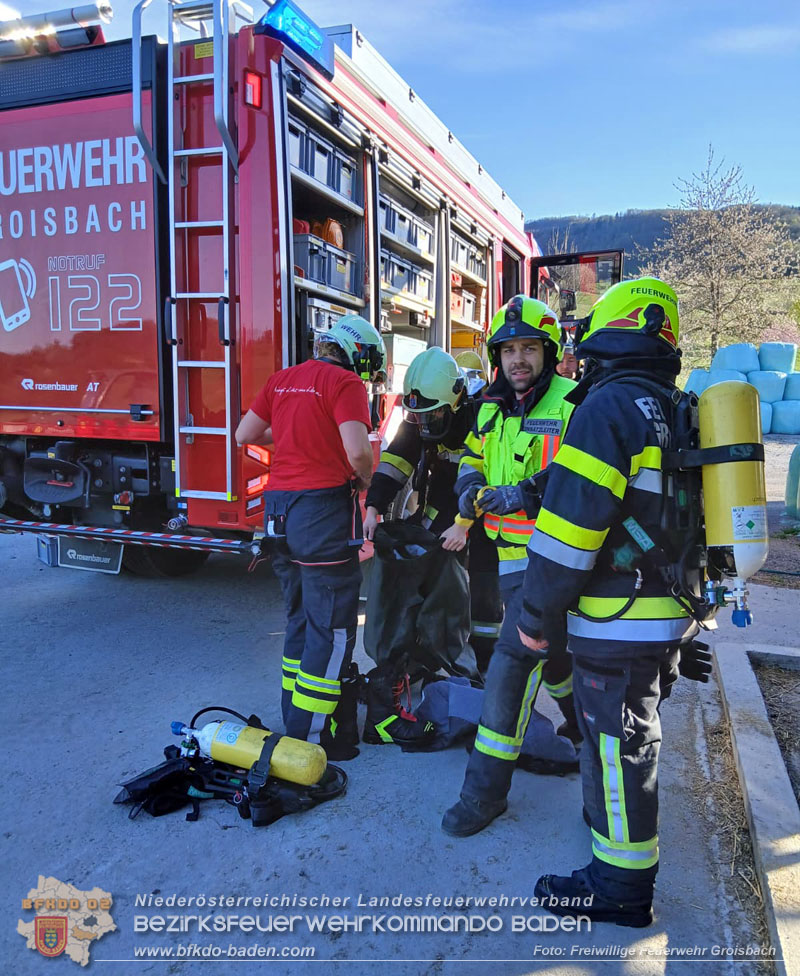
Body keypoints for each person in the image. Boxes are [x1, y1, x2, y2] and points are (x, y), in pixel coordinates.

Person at [516, 277, 697, 927]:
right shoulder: (670, 405)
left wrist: (536, 616)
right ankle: (609, 824)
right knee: (623, 738)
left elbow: (568, 538)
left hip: (619, 619)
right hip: (666, 610)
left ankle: (619, 885)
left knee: (619, 745)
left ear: (608, 334)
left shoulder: (607, 406)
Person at [441, 295, 578, 838]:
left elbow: (582, 477)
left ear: (548, 351)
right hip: (510, 561)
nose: (518, 359)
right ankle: (582, 734)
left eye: (529, 348)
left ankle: (482, 793)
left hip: (558, 559)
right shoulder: (491, 407)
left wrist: (524, 493)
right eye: (509, 349)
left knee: (509, 670)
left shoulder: (575, 403)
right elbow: (472, 455)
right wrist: (471, 485)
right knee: (557, 653)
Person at [234, 314, 385, 761]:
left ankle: (292, 716)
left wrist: (296, 436)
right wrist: (363, 481)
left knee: (299, 618)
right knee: (334, 625)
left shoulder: (283, 379)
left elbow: (245, 435)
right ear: (356, 352)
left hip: (278, 514)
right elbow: (357, 450)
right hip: (321, 513)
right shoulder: (345, 384)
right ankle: (312, 739)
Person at [360, 346, 495, 745]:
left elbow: (483, 477)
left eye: (431, 414)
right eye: (416, 414)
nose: (422, 422)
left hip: (486, 519)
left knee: (485, 605)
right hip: (442, 512)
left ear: (455, 402)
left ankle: (485, 680)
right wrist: (373, 506)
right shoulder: (420, 421)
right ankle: (428, 660)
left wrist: (463, 525)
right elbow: (396, 462)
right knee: (425, 587)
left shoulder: (479, 419)